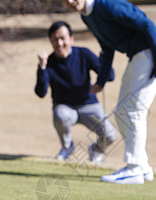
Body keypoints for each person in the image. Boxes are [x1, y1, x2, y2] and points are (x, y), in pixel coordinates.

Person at [62, 0, 156, 184]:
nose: (71, 2)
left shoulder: (106, 5)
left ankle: (134, 168)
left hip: (150, 52)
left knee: (133, 111)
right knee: (122, 112)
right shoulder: (87, 16)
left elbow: (147, 24)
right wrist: (101, 81)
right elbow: (107, 47)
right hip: (138, 56)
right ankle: (142, 167)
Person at [34, 21, 117, 163]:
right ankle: (67, 147)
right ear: (50, 41)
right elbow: (41, 92)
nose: (59, 43)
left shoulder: (84, 54)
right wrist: (42, 68)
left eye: (63, 38)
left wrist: (104, 62)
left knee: (110, 135)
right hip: (65, 107)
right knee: (60, 115)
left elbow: (110, 76)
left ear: (71, 39)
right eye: (55, 39)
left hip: (89, 105)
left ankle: (96, 150)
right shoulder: (49, 62)